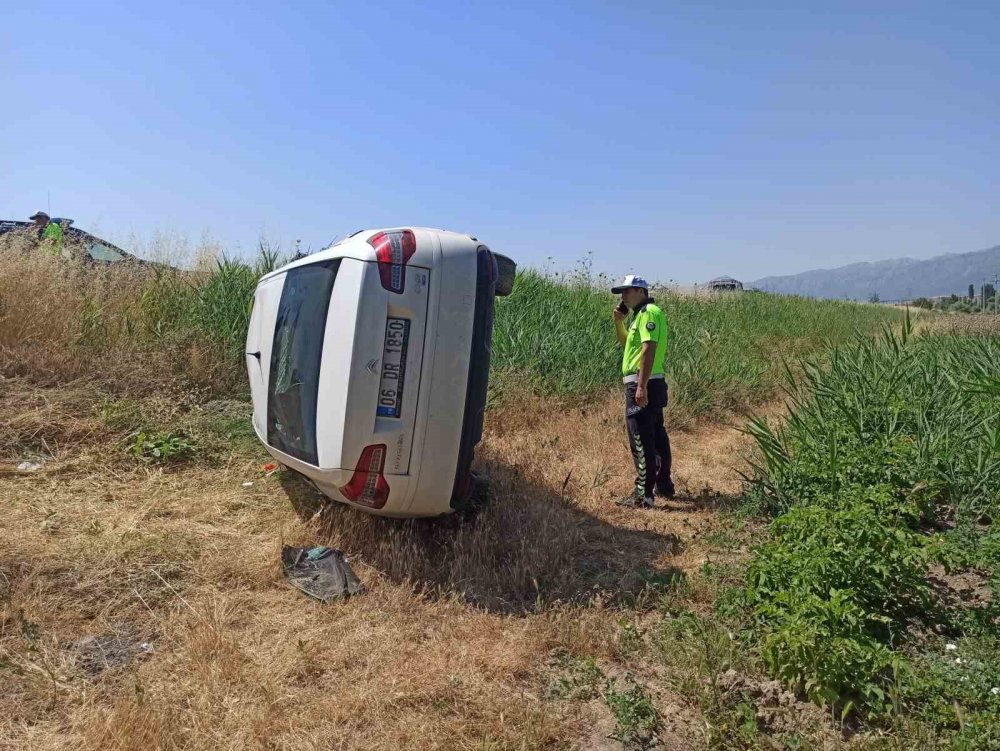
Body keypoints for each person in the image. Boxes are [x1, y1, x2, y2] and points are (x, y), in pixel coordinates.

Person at [611, 275, 675, 508]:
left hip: (643, 382)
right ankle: (663, 485)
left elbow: (648, 349)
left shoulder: (648, 313)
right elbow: (629, 344)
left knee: (640, 439)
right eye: (621, 292)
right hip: (650, 382)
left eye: (627, 291)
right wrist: (618, 322)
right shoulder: (640, 316)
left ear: (641, 291)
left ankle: (643, 495)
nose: (623, 296)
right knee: (657, 436)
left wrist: (640, 385)